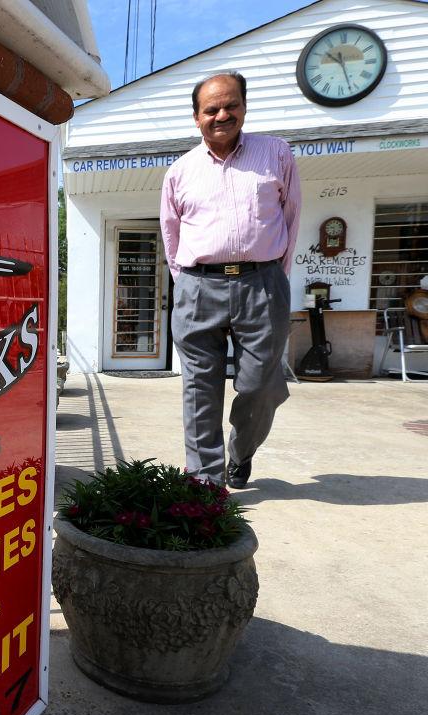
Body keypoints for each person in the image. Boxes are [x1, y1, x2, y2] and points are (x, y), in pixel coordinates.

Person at [160, 71, 301, 489]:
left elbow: (291, 219)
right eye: (211, 109)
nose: (222, 115)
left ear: (243, 106)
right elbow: (172, 235)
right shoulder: (180, 171)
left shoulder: (275, 154)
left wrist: (274, 275)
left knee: (262, 386)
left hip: (262, 285)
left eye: (230, 105)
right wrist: (188, 281)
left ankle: (241, 453)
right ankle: (204, 483)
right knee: (200, 389)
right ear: (196, 117)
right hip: (198, 287)